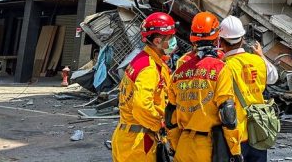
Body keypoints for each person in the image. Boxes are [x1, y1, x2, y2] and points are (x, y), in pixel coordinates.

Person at [165, 12, 243, 162]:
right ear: (217, 38)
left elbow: (170, 115)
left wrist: (175, 146)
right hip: (208, 147)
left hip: (183, 145)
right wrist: (235, 150)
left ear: (192, 38)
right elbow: (227, 111)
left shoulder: (179, 72)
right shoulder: (220, 68)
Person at [111, 12, 178, 162]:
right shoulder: (149, 68)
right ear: (157, 41)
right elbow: (141, 106)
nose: (173, 41)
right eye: (170, 38)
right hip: (139, 144)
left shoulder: (142, 60)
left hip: (129, 138)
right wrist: (160, 125)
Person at [218, 16, 279, 162]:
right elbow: (273, 77)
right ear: (242, 39)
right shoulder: (257, 61)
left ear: (221, 41)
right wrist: (262, 56)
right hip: (258, 130)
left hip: (236, 135)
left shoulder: (223, 67)